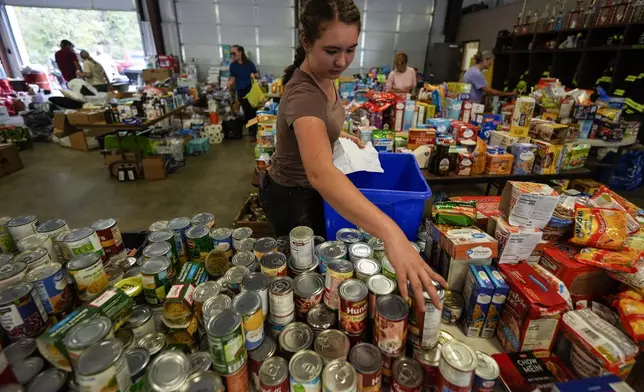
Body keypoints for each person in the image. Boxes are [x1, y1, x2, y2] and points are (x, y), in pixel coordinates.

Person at [259, 0, 445, 309]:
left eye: (350, 49)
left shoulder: (324, 75)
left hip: (309, 191)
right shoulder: (304, 94)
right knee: (308, 283)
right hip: (294, 199)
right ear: (306, 41)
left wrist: (335, 134)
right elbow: (320, 173)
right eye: (332, 51)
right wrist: (391, 232)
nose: (342, 61)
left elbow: (318, 124)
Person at [229, 45, 259, 141]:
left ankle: (254, 132)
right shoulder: (232, 66)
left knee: (253, 112)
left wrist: (253, 74)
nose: (232, 55)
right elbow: (233, 78)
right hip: (241, 91)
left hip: (250, 91)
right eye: (231, 53)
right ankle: (251, 130)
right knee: (246, 113)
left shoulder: (249, 64)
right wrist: (230, 82)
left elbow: (257, 75)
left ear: (240, 52)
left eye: (234, 53)